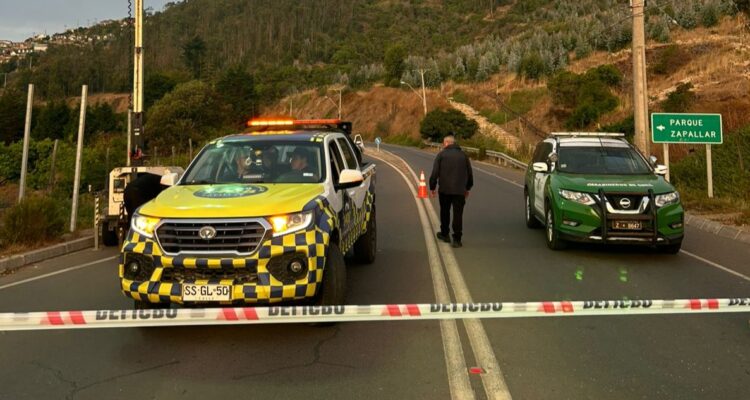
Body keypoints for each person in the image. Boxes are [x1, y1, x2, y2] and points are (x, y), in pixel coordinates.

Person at [429, 135, 473, 248]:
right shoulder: (464, 156)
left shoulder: (441, 155)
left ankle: (445, 234)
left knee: (445, 212)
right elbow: (469, 174)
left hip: (445, 189)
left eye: (444, 143)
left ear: (447, 143)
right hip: (459, 190)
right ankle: (457, 239)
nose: (443, 145)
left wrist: (432, 187)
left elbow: (434, 173)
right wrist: (467, 188)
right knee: (458, 214)